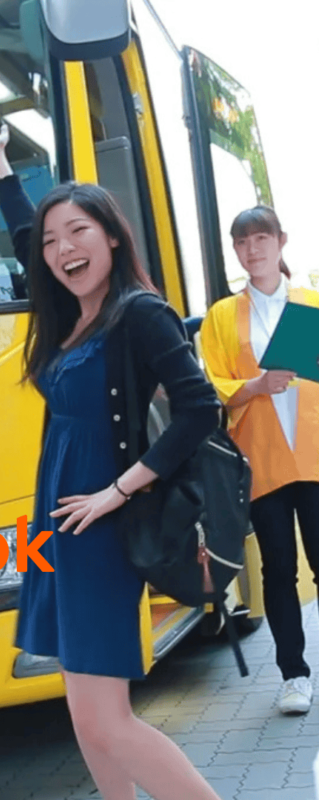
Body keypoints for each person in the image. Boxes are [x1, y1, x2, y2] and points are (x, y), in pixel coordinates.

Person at [0, 123, 223, 800]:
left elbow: (199, 409)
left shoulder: (140, 315)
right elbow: (26, 236)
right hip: (62, 531)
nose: (61, 249)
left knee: (111, 721)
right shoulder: (70, 316)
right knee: (86, 717)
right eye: (53, 241)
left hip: (103, 530)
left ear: (110, 235)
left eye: (77, 231)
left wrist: (117, 490)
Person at [200, 205, 319, 715]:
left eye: (261, 238)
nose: (254, 249)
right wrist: (256, 385)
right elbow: (211, 385)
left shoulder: (311, 303)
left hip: (314, 455)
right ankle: (294, 675)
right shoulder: (223, 315)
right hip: (262, 460)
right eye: (243, 242)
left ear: (281, 241)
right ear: (236, 250)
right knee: (278, 569)